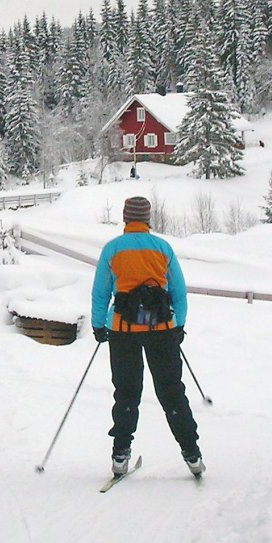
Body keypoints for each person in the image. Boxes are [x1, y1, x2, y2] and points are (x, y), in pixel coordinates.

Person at [91, 196, 204, 478]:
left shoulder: (113, 249)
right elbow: (179, 291)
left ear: (126, 218)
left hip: (122, 330)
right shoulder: (163, 248)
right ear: (148, 219)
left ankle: (120, 455)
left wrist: (98, 325)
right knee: (172, 392)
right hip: (161, 329)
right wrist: (179, 325)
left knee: (127, 392)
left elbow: (101, 293)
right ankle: (192, 454)